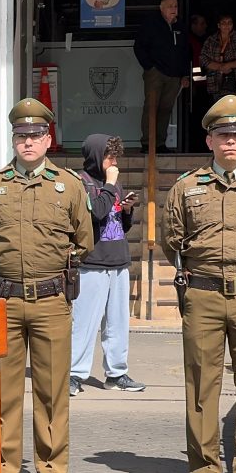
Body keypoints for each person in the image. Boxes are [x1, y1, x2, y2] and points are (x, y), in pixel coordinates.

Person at [0, 98, 93, 473]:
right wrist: (2, 266)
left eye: (35, 135)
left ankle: (52, 466)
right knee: (3, 389)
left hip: (51, 301)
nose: (27, 142)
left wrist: (53, 267)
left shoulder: (69, 185)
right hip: (3, 299)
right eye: (21, 136)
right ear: (13, 140)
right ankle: (5, 465)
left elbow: (83, 240)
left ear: (48, 139)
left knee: (52, 388)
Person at [161, 95, 236, 473]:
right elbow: (172, 238)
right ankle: (205, 468)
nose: (230, 142)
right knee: (202, 385)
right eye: (222, 135)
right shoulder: (187, 187)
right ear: (209, 141)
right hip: (203, 296)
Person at [69, 134, 145, 397]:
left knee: (117, 323)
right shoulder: (80, 183)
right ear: (95, 156)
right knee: (84, 322)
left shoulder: (113, 184)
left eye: (115, 157)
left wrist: (126, 210)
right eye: (108, 157)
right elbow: (96, 214)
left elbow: (119, 226)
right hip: (92, 263)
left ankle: (116, 373)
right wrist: (111, 186)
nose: (113, 162)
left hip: (118, 261)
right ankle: (75, 374)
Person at [134, 0, 191, 154]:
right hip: (156, 73)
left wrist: (185, 74)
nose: (174, 9)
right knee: (151, 107)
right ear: (162, 8)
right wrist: (149, 67)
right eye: (170, 6)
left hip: (174, 75)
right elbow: (139, 47)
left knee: (166, 109)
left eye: (176, 6)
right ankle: (147, 143)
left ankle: (159, 143)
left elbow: (186, 52)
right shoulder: (151, 24)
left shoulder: (181, 26)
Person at [200, 14, 236, 101]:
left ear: (232, 25)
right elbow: (203, 58)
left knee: (234, 107)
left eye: (229, 23)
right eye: (223, 23)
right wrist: (220, 67)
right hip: (215, 80)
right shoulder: (211, 40)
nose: (227, 25)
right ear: (218, 25)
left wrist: (230, 65)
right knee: (218, 109)